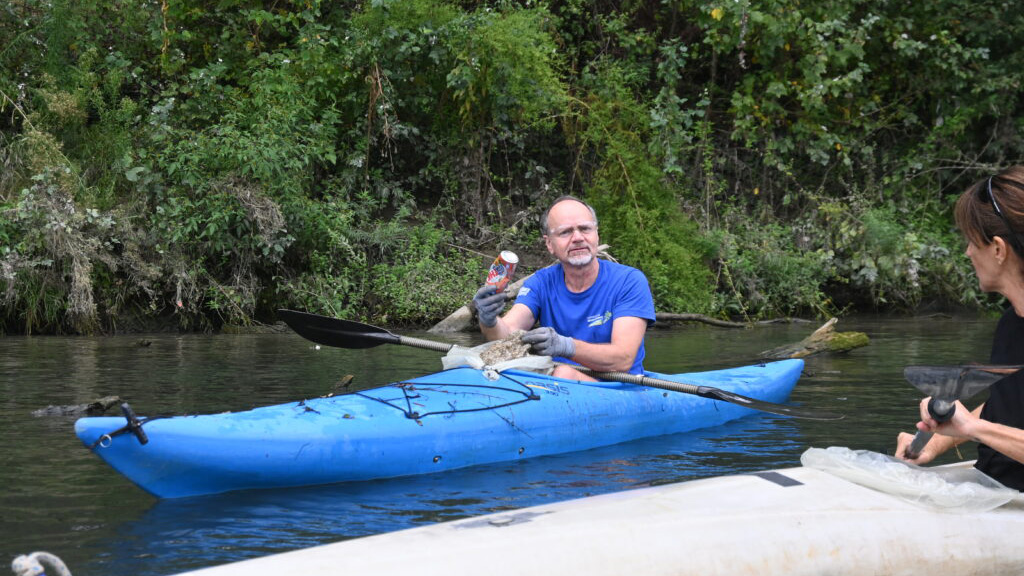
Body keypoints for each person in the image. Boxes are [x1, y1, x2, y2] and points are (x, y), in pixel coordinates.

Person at [895, 166, 1024, 491]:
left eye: (971, 241)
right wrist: (939, 438)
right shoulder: (1012, 322)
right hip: (994, 492)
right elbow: (1009, 404)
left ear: (998, 249)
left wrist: (972, 429)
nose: (967, 252)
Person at [472, 196, 656, 380]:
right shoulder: (540, 283)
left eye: (585, 229)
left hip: (620, 387)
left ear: (596, 235)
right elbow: (506, 335)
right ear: (550, 244)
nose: (577, 238)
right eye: (565, 232)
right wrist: (489, 320)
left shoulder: (629, 281)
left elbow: (623, 359)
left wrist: (566, 346)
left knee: (563, 373)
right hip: (560, 385)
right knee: (558, 373)